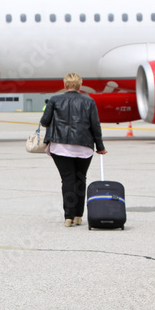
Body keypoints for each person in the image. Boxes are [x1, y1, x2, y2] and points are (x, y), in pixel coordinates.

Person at [40, 73, 106, 227]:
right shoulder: (89, 101)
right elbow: (95, 125)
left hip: (60, 146)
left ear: (65, 85)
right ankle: (78, 216)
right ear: (80, 86)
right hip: (84, 146)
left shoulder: (55, 100)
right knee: (81, 179)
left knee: (67, 179)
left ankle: (68, 217)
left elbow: (44, 121)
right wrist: (100, 147)